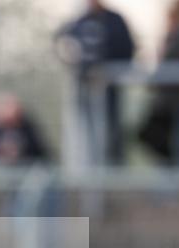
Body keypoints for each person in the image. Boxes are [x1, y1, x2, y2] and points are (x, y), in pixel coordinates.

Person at [56, 0, 135, 166]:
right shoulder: (79, 21)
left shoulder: (115, 20)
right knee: (86, 130)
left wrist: (109, 69)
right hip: (84, 87)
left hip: (109, 89)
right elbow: (60, 41)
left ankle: (114, 169)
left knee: (112, 130)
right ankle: (91, 167)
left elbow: (128, 49)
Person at [137, 0, 179, 167]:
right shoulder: (177, 36)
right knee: (165, 139)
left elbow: (168, 62)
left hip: (172, 99)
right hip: (166, 100)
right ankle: (173, 170)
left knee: (177, 139)